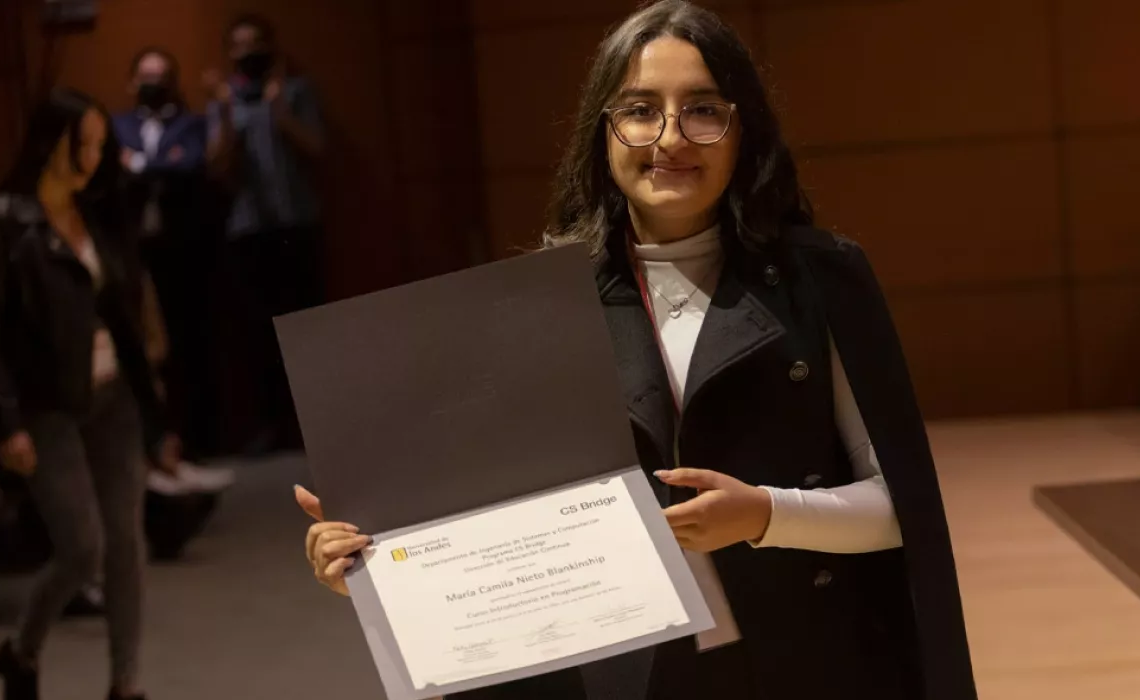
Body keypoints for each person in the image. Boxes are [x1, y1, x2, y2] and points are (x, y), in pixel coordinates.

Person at [296, 2, 977, 699]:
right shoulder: (537, 308)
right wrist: (373, 568)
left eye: (703, 110)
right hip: (626, 680)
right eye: (640, 110)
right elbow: (498, 540)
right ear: (603, 132)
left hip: (807, 661)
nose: (670, 137)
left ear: (744, 129)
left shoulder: (822, 278)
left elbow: (902, 507)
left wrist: (763, 514)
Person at [0, 87, 180, 700]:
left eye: (103, 144)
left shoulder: (97, 213)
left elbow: (125, 318)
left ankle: (126, 684)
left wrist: (156, 417)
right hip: (46, 406)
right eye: (87, 143)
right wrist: (5, 423)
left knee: (126, 544)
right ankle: (22, 650)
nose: (97, 157)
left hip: (113, 396)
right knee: (81, 548)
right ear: (55, 143)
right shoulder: (6, 221)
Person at [205, 12, 326, 454]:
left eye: (255, 43)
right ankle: (272, 426)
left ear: (270, 47)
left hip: (297, 222)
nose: (248, 52)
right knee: (258, 332)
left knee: (308, 325)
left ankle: (316, 423)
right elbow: (215, 165)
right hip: (248, 230)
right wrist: (223, 111)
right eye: (239, 45)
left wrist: (280, 111)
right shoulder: (224, 102)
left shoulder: (296, 91)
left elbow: (317, 147)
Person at [113, 47, 219, 460]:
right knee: (146, 346)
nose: (152, 84)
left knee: (192, 343)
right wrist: (160, 164)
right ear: (131, 82)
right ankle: (158, 442)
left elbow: (190, 164)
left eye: (160, 76)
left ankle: (200, 442)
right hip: (134, 254)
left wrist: (138, 164)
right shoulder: (117, 125)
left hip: (184, 252)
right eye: (145, 76)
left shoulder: (191, 124)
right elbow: (112, 172)